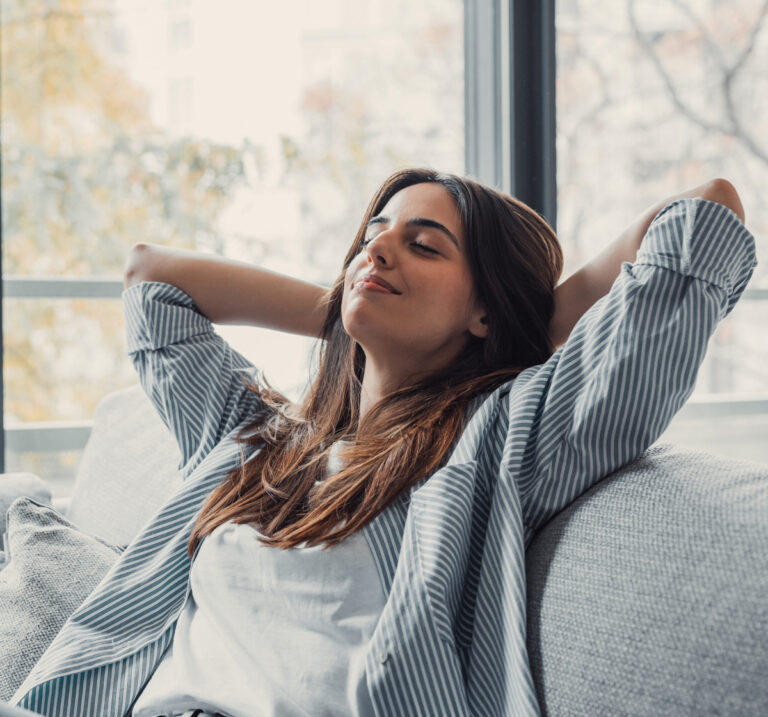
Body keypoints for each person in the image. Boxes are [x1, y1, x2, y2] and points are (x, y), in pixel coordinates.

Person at [10, 170, 756, 716]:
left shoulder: (496, 444)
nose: (379, 253)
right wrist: (346, 309)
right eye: (370, 239)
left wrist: (529, 319)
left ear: (484, 310)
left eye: (423, 246)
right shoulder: (252, 442)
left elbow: (703, 214)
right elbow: (152, 281)